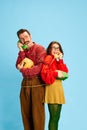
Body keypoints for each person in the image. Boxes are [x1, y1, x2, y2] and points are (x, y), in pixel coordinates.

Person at [15, 29, 46, 130]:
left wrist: (23, 70)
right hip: (25, 84)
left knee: (38, 116)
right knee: (26, 115)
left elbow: (38, 68)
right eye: (22, 39)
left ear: (31, 36)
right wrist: (21, 51)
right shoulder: (23, 51)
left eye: (26, 37)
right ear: (20, 41)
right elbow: (17, 65)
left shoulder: (39, 48)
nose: (25, 40)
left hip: (37, 83)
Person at [41, 41, 69, 130]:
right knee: (54, 118)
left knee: (56, 118)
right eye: (54, 47)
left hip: (58, 88)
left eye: (58, 48)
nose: (56, 50)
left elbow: (65, 72)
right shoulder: (48, 58)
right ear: (49, 49)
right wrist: (56, 74)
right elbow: (44, 73)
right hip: (52, 88)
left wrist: (60, 60)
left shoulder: (56, 59)